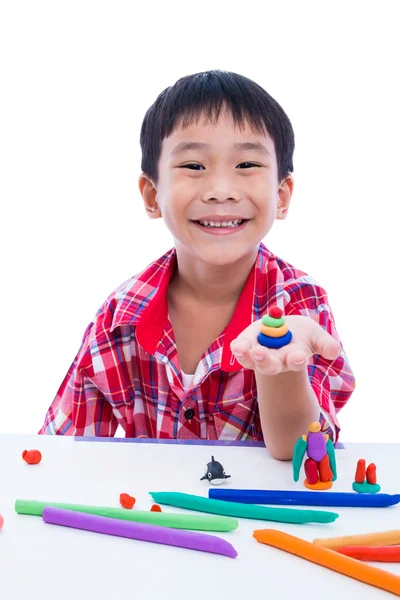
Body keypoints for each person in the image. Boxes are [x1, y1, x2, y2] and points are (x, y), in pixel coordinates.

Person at [39, 70, 355, 459]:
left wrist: (283, 365)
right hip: (152, 517)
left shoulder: (300, 303)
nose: (221, 191)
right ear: (152, 195)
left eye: (246, 166)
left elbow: (305, 453)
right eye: (193, 166)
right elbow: (59, 455)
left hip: (260, 519)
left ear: (281, 195)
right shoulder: (119, 317)